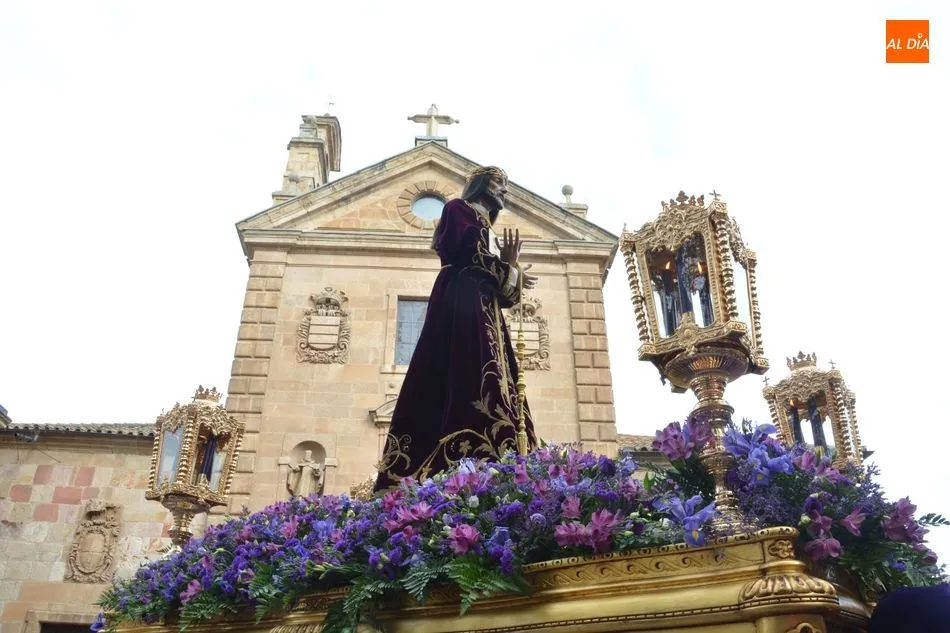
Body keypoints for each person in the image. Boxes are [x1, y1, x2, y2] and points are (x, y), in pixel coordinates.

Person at [373, 166, 538, 492]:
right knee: (467, 370)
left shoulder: (488, 228)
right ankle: (461, 454)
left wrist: (512, 268)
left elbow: (506, 295)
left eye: (505, 185)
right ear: (479, 185)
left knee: (494, 378)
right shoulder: (457, 209)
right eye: (498, 183)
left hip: (485, 309)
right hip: (461, 301)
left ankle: (500, 459)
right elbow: (467, 253)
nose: (504, 190)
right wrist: (507, 266)